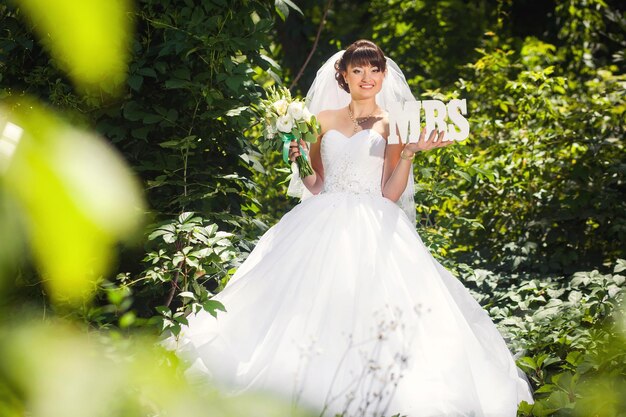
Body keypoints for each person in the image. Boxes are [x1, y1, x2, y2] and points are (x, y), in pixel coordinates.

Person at [171, 40, 534, 417]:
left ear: (383, 75)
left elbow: (389, 192)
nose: (367, 77)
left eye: (375, 70)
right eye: (358, 70)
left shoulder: (392, 124)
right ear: (343, 75)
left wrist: (408, 154)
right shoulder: (321, 119)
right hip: (321, 220)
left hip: (376, 224)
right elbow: (314, 184)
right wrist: (298, 160)